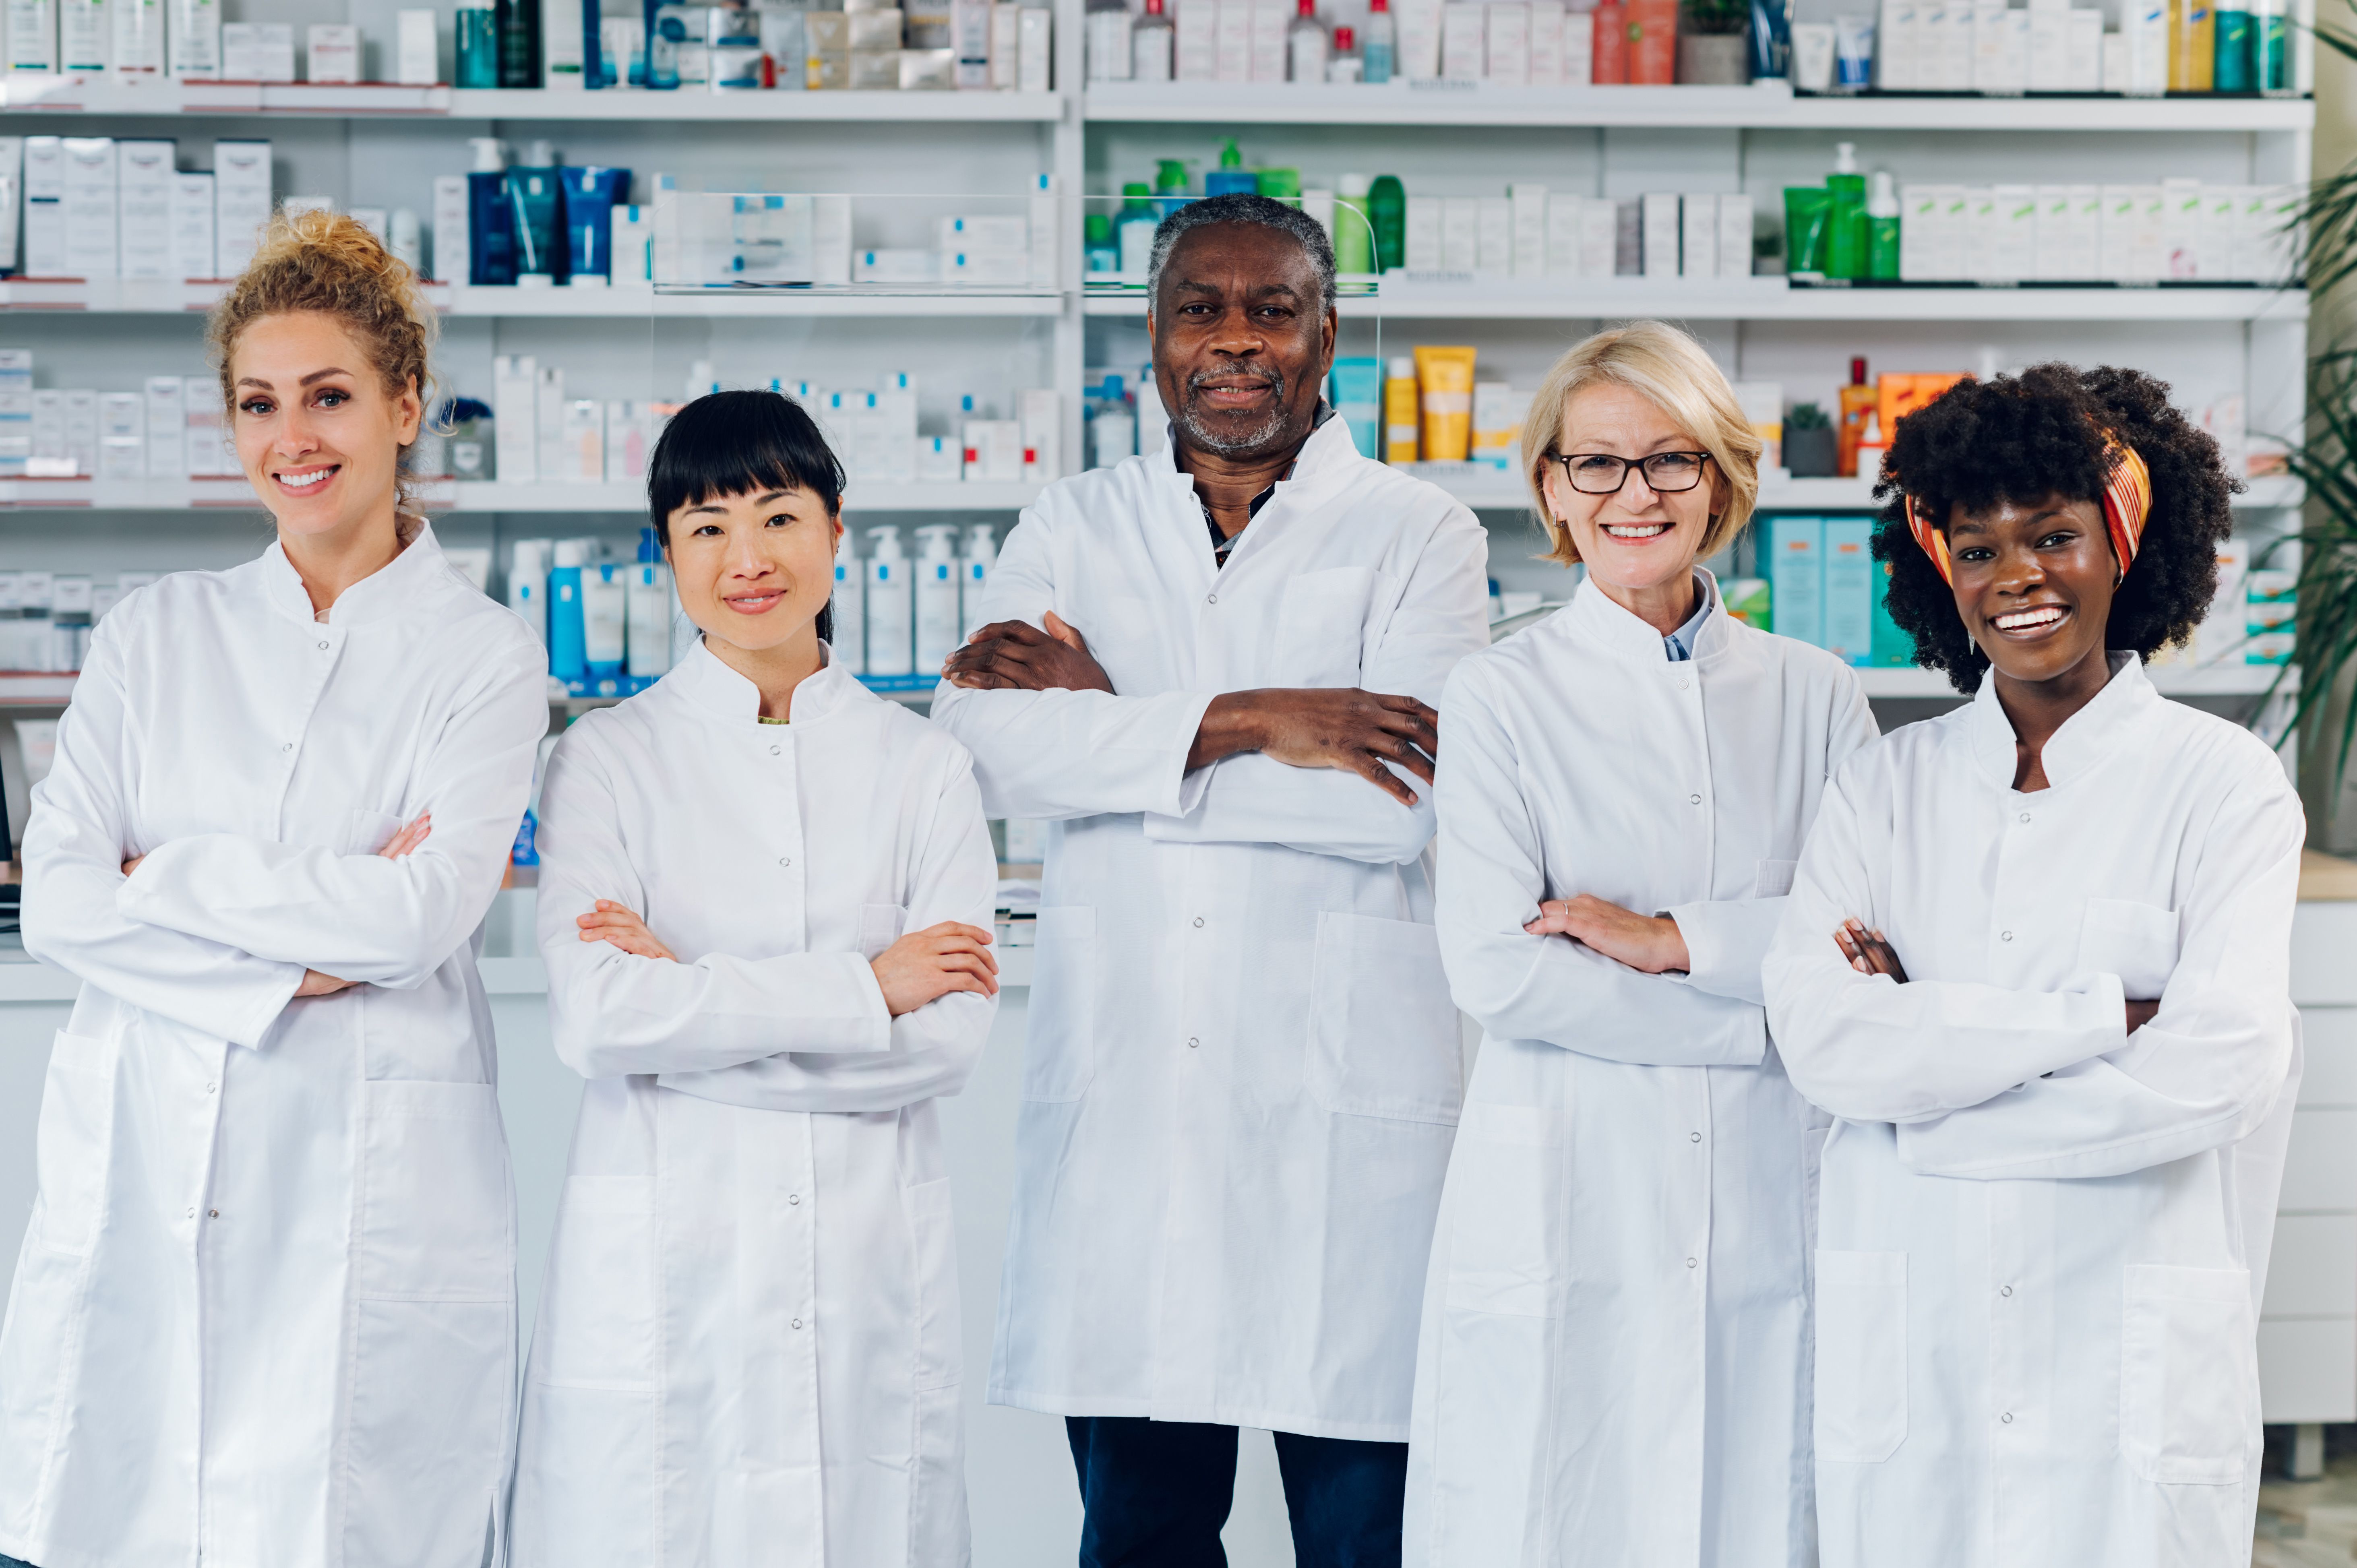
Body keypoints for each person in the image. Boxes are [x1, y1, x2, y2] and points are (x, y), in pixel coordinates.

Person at [934, 192, 1491, 1565]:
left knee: (1365, 1538)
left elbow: (1398, 810)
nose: (1235, 342)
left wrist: (1116, 725)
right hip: (1138, 1128)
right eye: (1203, 309)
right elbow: (987, 749)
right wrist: (1251, 721)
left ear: (1327, 334)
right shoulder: (1072, 522)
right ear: (1154, 337)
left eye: (1271, 310)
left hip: (1343, 1138)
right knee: (1140, 1535)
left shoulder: (1423, 534)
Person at [0, 209, 548, 1568]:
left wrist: (168, 877)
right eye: (258, 403)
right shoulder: (155, 632)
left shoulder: (481, 658)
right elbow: (62, 900)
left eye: (328, 397)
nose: (290, 438)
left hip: (367, 1198)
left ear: (405, 405)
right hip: (147, 1165)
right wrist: (296, 955)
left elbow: (419, 920)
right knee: (121, 1509)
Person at [1763, 364, 2305, 1567]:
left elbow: (2221, 1064)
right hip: (1925, 1338)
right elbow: (1827, 1043)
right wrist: (2107, 1016)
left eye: (2054, 536)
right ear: (1938, 575)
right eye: (1977, 549)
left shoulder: (2223, 787)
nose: (2017, 577)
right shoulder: (1882, 787)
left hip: (2125, 1339)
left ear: (2124, 550)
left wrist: (1935, 1094)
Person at [1400, 321, 1876, 1568]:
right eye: (1596, 465)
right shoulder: (1499, 695)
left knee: (1757, 1512)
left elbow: (1876, 947)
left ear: (1720, 479)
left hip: (1773, 1196)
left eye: (1670, 460)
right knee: (1566, 1506)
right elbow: (1502, 971)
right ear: (1552, 488)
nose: (1635, 495)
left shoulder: (1816, 692)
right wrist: (1761, 1014)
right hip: (1574, 1185)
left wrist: (1669, 942)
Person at [507, 390, 1000, 1567]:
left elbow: (949, 1042)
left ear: (838, 530)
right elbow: (599, 1020)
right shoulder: (603, 761)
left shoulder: (926, 767)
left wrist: (697, 1012)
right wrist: (865, 990)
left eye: (779, 517)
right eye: (706, 529)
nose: (748, 561)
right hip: (672, 1273)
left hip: (863, 1265)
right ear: (667, 557)